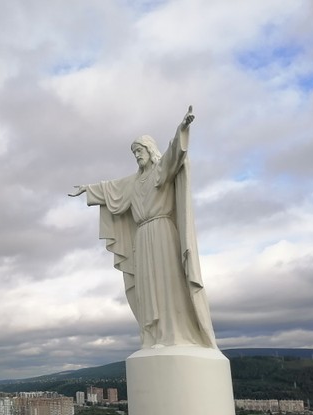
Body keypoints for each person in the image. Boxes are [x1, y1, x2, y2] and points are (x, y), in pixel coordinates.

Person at [69, 106, 216, 350]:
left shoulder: (160, 172)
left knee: (166, 282)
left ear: (150, 150)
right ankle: (155, 334)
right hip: (143, 238)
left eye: (140, 150)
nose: (137, 155)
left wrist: (182, 129)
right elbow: (111, 189)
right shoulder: (134, 182)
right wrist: (88, 189)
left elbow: (174, 155)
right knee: (147, 287)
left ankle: (173, 334)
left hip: (162, 232)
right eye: (134, 152)